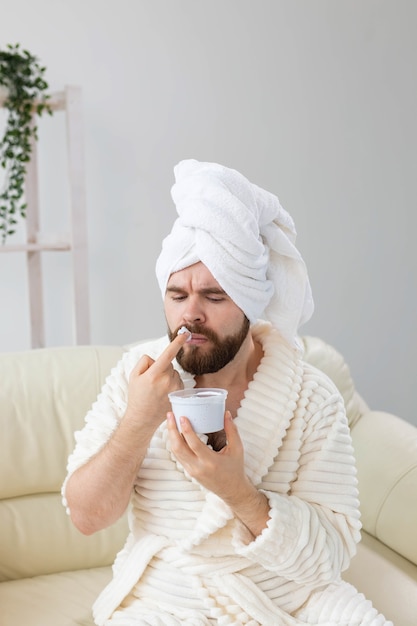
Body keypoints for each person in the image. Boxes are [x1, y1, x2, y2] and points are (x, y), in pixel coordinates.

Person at [62, 159, 392, 626]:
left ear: (251, 303)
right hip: (168, 599)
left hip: (287, 600)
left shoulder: (310, 396)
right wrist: (139, 420)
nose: (190, 315)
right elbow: (86, 516)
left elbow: (329, 557)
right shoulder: (133, 378)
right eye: (177, 296)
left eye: (214, 297)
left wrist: (239, 493)